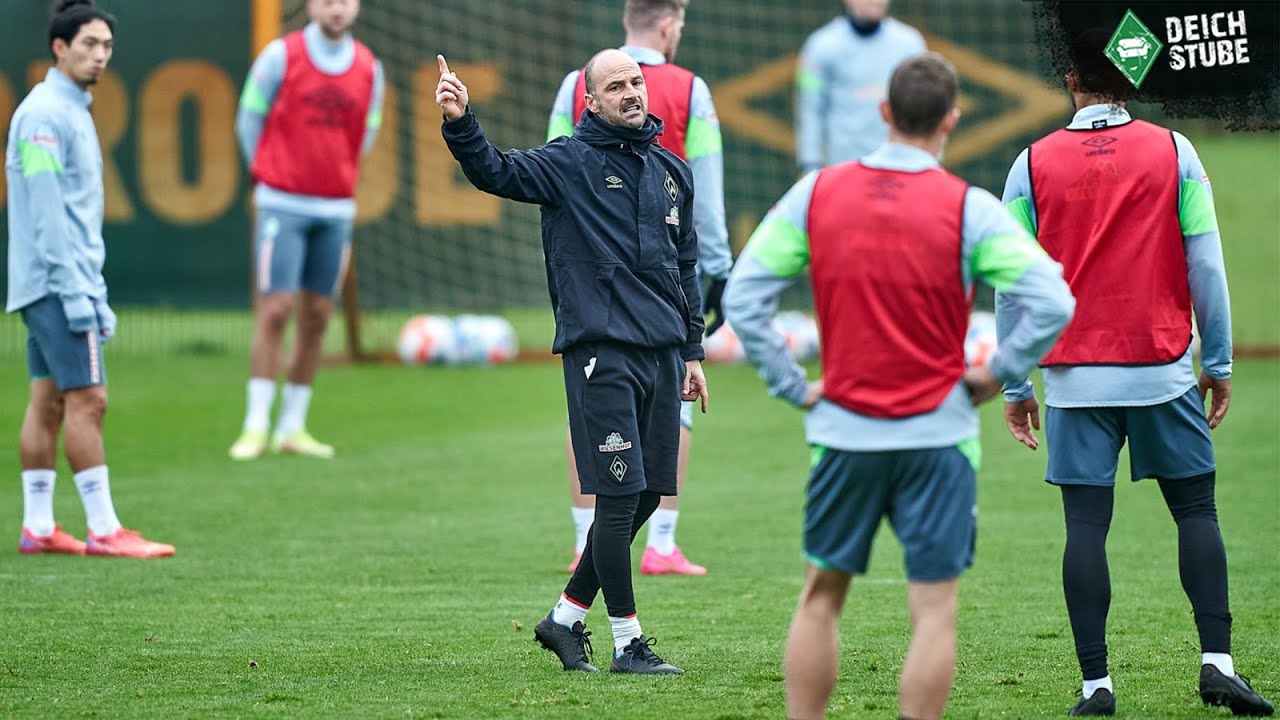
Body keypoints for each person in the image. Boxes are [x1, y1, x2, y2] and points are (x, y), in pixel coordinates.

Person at [726, 53, 1074, 720]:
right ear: (952, 118)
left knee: (820, 598)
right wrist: (997, 373)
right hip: (938, 435)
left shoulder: (817, 193)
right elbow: (1054, 301)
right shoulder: (970, 209)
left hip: (843, 432)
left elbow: (743, 298)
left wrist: (791, 385)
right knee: (934, 611)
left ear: (883, 113)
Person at [998, 29, 1274, 718]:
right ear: (1130, 82)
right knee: (1196, 511)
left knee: (1085, 527)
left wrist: (1013, 383)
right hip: (1162, 372)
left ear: (1070, 81)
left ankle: (1097, 687)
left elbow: (1012, 287)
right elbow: (1205, 266)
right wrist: (1217, 362)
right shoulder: (1176, 152)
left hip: (1074, 380)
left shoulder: (1029, 165)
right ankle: (1217, 666)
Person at [437, 49, 708, 675]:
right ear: (591, 100)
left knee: (643, 499)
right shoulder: (567, 162)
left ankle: (562, 620)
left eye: (636, 82)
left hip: (665, 356)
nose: (630, 93)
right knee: (617, 502)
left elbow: (684, 266)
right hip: (601, 355)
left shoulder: (673, 173)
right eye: (615, 86)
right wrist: (461, 123)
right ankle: (627, 643)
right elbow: (495, 172)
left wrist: (693, 350)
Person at [546, 0, 732, 577]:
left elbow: (558, 166)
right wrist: (718, 266)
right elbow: (707, 184)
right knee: (674, 409)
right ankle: (662, 543)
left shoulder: (578, 83)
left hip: (594, 277)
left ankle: (586, 538)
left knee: (592, 411)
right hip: (666, 274)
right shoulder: (691, 88)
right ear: (670, 24)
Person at [6, 0, 174, 559]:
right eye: (89, 45)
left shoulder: (67, 107)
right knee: (89, 400)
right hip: (59, 283)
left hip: (49, 281)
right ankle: (104, 530)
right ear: (59, 47)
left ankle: (38, 526)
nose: (100, 55)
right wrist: (78, 293)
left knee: (48, 401)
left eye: (106, 46)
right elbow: (48, 214)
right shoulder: (45, 116)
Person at [228, 0, 385, 460]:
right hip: (282, 202)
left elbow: (366, 134)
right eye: (326, 0)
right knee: (276, 308)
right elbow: (248, 120)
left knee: (317, 316)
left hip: (335, 208)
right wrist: (267, 176)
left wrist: (337, 174)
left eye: (344, 1)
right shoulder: (281, 55)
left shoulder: (369, 68)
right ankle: (255, 425)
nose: (336, 9)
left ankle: (292, 426)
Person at [795, 0, 925, 173]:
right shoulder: (819, 46)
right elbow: (811, 108)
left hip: (900, 167)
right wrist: (810, 163)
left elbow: (925, 107)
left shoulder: (911, 44)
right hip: (844, 169)